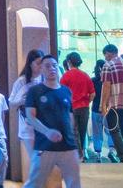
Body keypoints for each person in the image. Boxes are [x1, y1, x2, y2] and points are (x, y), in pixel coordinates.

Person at [23, 55, 80, 188]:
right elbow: (30, 117)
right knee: (34, 183)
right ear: (41, 69)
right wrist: (47, 132)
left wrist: (72, 137)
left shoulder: (66, 91)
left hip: (68, 147)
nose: (52, 69)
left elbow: (70, 116)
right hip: (44, 146)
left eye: (54, 65)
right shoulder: (35, 91)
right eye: (47, 66)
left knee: (74, 183)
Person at [98, 44, 123, 163]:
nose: (105, 58)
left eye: (105, 55)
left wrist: (103, 105)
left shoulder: (108, 65)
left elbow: (106, 87)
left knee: (114, 130)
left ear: (109, 53)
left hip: (113, 105)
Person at [8, 49, 45, 173]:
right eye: (38, 63)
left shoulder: (45, 79)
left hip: (43, 127)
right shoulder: (22, 81)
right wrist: (21, 101)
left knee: (42, 161)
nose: (40, 66)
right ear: (30, 64)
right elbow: (11, 102)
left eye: (42, 63)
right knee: (36, 160)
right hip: (27, 127)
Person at [58, 52, 94, 162]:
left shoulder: (66, 76)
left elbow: (61, 93)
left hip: (71, 108)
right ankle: (81, 153)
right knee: (82, 133)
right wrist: (86, 102)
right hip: (84, 108)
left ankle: (79, 155)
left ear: (69, 62)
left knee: (73, 132)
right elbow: (92, 94)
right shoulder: (85, 75)